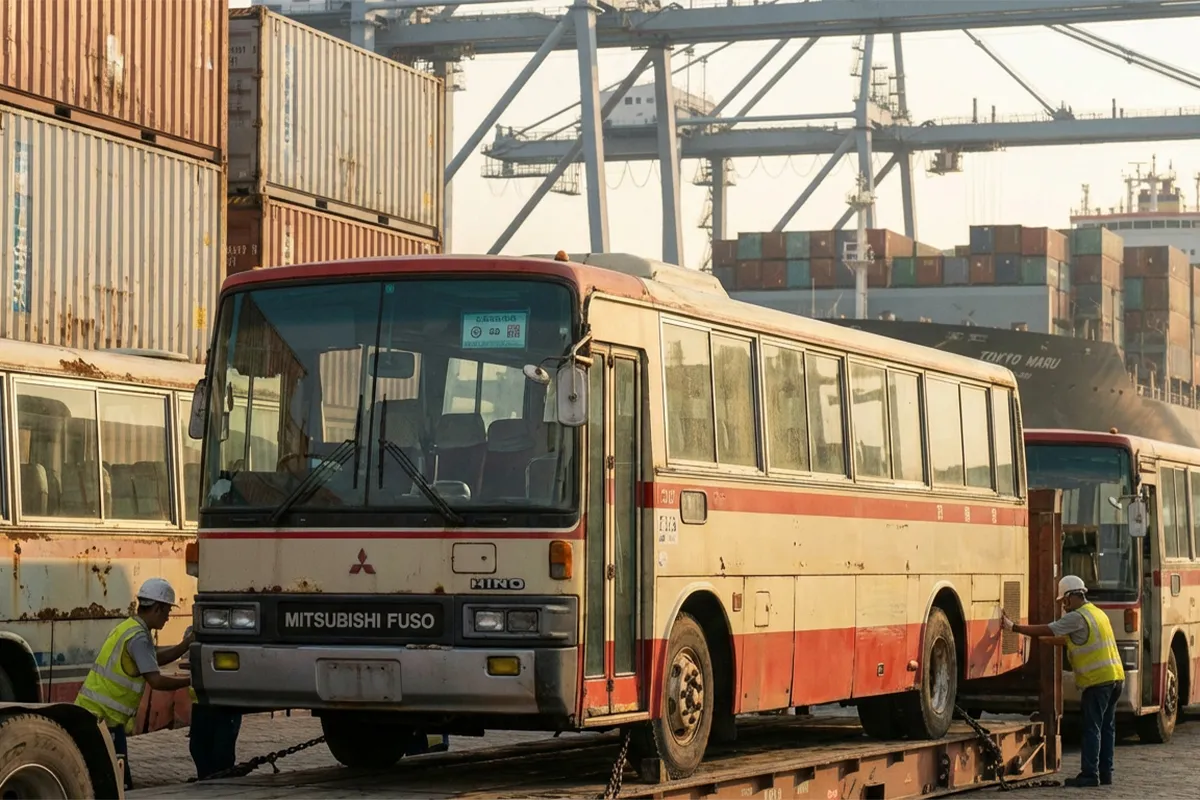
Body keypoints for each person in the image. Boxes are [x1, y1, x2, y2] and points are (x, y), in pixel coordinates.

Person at [1002, 575, 1124, 789]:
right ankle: (1106, 773)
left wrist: (1015, 628)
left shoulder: (1077, 617)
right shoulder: (1096, 613)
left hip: (1097, 682)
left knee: (1091, 728)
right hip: (1115, 679)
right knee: (1107, 728)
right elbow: (1064, 639)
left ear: (1071, 596)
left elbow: (1050, 628)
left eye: (1064, 601)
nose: (1064, 606)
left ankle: (1089, 774)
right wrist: (1039, 639)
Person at [75, 578, 193, 791]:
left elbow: (151, 658)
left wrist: (183, 646)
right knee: (118, 784)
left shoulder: (130, 627)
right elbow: (155, 680)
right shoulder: (138, 637)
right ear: (157, 608)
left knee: (113, 778)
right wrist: (191, 681)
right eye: (167, 611)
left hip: (97, 716)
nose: (168, 617)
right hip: (104, 720)